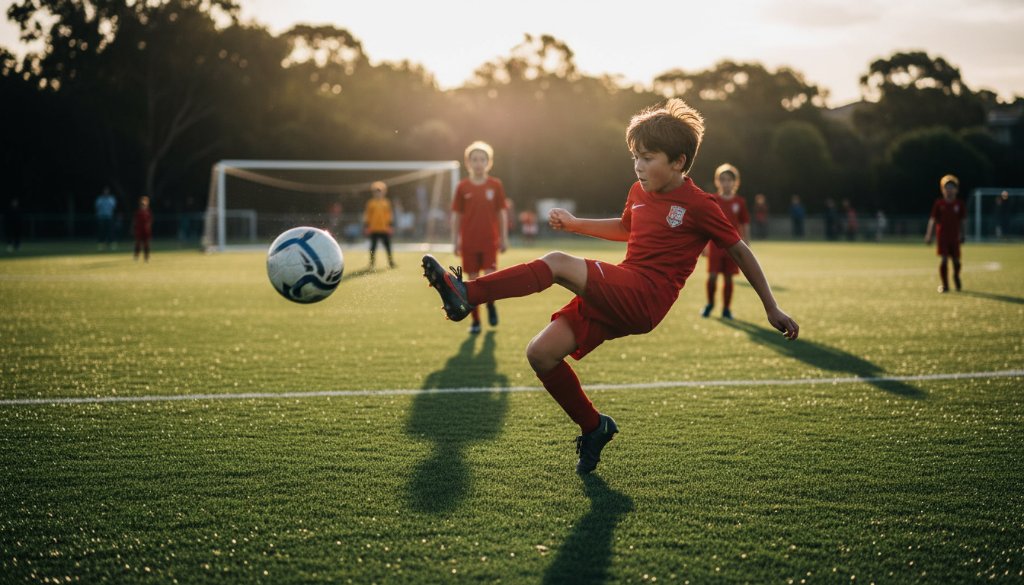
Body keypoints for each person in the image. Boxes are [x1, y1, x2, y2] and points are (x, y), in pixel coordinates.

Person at [421, 99, 799, 475]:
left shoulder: (701, 205)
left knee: (556, 263)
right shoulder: (638, 191)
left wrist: (771, 306)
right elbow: (625, 229)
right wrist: (574, 224)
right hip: (622, 288)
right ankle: (593, 427)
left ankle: (468, 295)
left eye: (648, 157)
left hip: (646, 296)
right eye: (635, 156)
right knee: (541, 353)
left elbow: (740, 250)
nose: (638, 165)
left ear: (679, 162)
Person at [451, 140, 509, 335]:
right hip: (469, 242)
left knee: (490, 279)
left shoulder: (496, 185)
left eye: (482, 159)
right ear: (468, 163)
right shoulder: (462, 187)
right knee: (473, 283)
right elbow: (456, 215)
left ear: (488, 162)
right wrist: (455, 240)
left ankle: (491, 304)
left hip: (489, 241)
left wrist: (504, 237)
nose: (478, 163)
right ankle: (475, 321)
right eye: (474, 159)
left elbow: (501, 213)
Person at [701, 163, 749, 320]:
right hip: (715, 246)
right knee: (713, 276)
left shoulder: (740, 202)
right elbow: (705, 224)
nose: (726, 183)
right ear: (717, 182)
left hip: (733, 246)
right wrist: (704, 246)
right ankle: (709, 304)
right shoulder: (713, 199)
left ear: (735, 182)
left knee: (728, 277)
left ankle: (726, 309)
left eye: (729, 180)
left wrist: (746, 245)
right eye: (722, 179)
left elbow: (744, 224)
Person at [925, 174, 967, 292]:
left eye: (951, 187)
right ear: (943, 190)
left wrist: (963, 234)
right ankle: (945, 285)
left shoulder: (959, 204)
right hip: (942, 237)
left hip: (954, 237)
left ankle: (956, 275)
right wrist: (929, 235)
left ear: (956, 190)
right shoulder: (939, 204)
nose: (949, 190)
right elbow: (933, 220)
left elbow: (963, 221)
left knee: (956, 261)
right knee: (943, 260)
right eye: (946, 187)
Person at [364, 181, 395, 269]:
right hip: (374, 229)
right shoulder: (370, 203)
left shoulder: (386, 202)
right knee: (373, 248)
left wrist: (390, 226)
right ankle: (372, 263)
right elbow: (367, 215)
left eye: (380, 191)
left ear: (383, 192)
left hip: (384, 229)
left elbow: (389, 215)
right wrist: (367, 226)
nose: (378, 193)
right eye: (376, 191)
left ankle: (391, 262)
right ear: (373, 193)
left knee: (388, 247)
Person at [95, 186, 117, 250]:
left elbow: (113, 207)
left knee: (110, 231)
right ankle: (101, 245)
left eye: (107, 191)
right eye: (105, 191)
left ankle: (111, 245)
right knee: (102, 232)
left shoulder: (111, 199)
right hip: (101, 217)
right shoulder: (100, 199)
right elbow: (97, 207)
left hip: (109, 217)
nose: (106, 192)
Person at [132, 196, 153, 262]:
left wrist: (148, 227)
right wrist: (134, 228)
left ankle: (146, 257)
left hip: (146, 230)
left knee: (146, 244)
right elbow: (135, 221)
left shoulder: (148, 212)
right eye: (142, 204)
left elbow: (150, 221)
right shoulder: (138, 212)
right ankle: (136, 256)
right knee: (138, 243)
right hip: (139, 230)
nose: (143, 205)